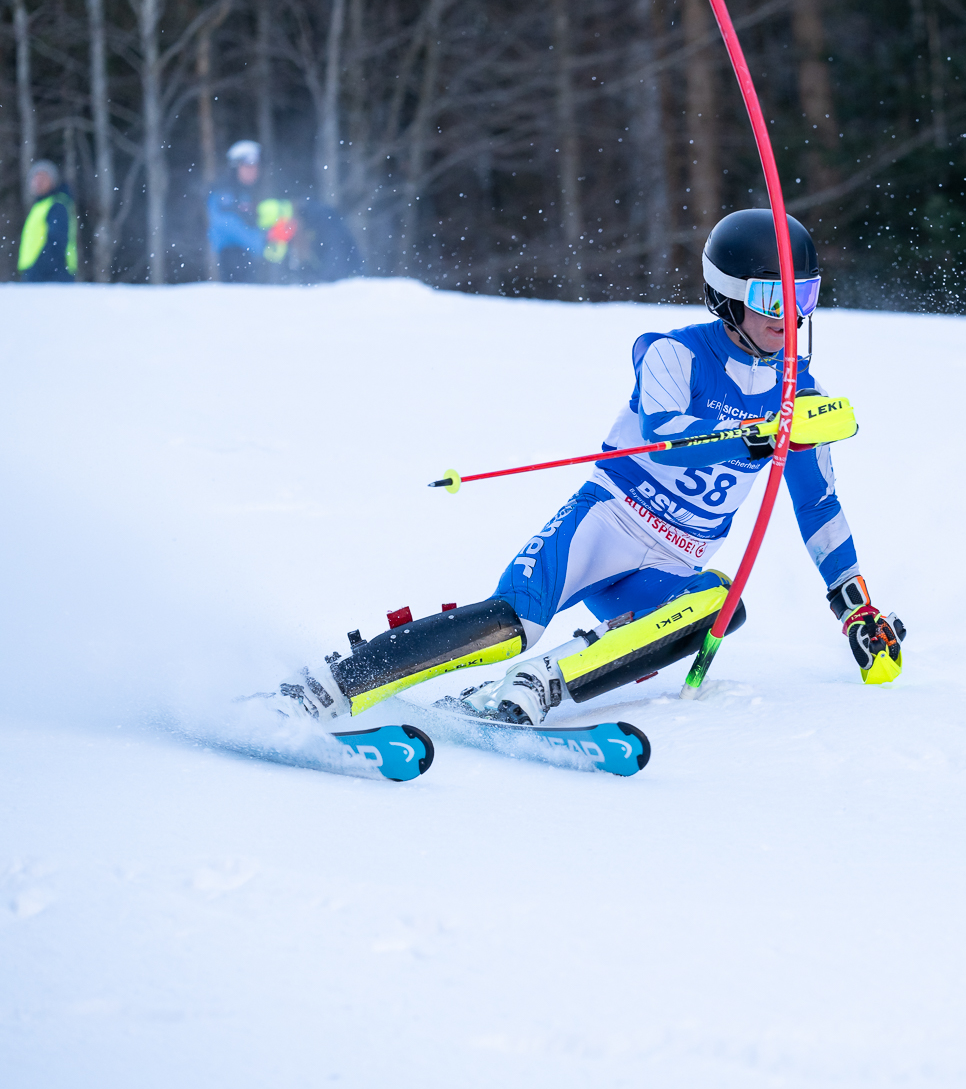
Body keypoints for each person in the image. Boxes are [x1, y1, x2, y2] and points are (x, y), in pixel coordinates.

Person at [278, 209, 905, 728]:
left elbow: (818, 505)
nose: (788, 314)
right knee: (511, 624)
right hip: (607, 521)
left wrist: (855, 607)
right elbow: (668, 436)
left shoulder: (802, 393)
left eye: (805, 295)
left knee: (722, 605)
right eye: (772, 295)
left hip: (673, 561)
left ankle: (544, 682)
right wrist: (760, 439)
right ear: (729, 295)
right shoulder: (672, 352)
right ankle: (335, 683)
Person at [207, 140, 296, 282]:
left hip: (254, 257)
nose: (253, 171)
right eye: (248, 166)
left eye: (256, 166)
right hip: (233, 256)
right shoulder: (225, 192)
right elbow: (227, 226)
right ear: (235, 167)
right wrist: (264, 239)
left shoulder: (248, 191)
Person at [17, 160, 77, 283]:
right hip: (38, 272)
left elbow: (57, 240)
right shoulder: (40, 206)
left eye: (43, 178)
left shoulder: (56, 205)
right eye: (36, 179)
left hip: (52, 274)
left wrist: (40, 267)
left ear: (53, 181)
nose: (38, 183)